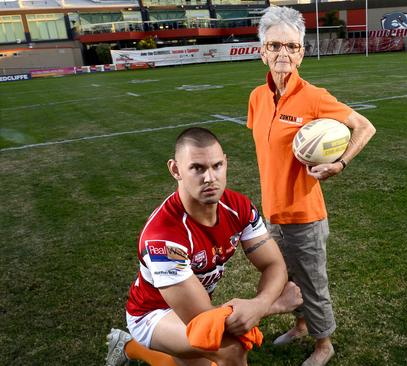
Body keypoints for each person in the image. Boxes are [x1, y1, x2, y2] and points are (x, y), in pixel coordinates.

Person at [106, 127, 303, 366]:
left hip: (197, 309)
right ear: (175, 169)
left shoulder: (238, 206)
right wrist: (275, 305)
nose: (210, 178)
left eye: (217, 166)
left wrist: (259, 304)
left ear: (226, 163)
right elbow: (205, 320)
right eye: (197, 168)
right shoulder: (163, 239)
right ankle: (139, 341)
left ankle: (126, 346)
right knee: (230, 348)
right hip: (153, 314)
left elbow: (274, 264)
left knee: (198, 359)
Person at [247, 6, 376, 366]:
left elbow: (365, 127)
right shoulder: (257, 98)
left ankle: (324, 345)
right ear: (262, 53)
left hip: (305, 214)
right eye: (274, 46)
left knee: (314, 285)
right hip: (270, 212)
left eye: (291, 46)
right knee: (285, 279)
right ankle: (301, 326)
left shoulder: (315, 96)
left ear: (302, 52)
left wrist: (340, 162)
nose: (283, 54)